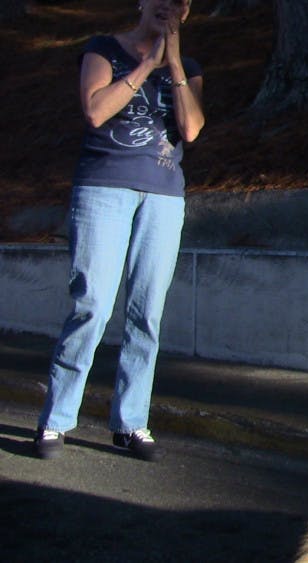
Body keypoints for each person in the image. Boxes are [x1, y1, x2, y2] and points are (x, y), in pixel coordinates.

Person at [34, 0, 204, 462]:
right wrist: (147, 62)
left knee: (146, 313)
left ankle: (131, 423)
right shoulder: (104, 49)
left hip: (164, 197)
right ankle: (56, 419)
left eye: (180, 3)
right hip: (103, 189)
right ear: (142, 4)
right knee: (91, 305)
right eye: (160, 0)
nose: (169, 8)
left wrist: (172, 65)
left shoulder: (186, 67)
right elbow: (95, 112)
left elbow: (190, 129)